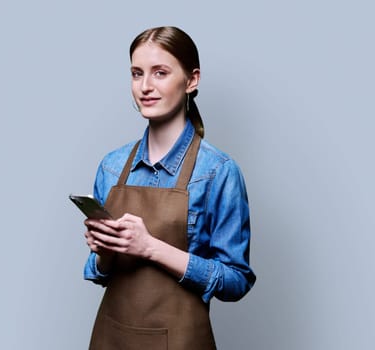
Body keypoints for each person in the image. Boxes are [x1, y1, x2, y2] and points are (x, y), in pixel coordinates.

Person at [82, 26, 256, 350]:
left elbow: (236, 280)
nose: (145, 86)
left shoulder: (218, 172)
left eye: (160, 73)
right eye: (137, 74)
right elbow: (97, 272)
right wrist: (104, 253)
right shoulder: (111, 166)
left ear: (192, 80)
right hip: (111, 338)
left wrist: (150, 247)